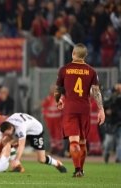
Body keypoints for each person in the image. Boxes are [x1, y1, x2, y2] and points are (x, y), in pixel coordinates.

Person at [54, 43, 105, 177]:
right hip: (85, 108)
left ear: (73, 54)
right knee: (82, 142)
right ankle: (81, 169)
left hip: (70, 108)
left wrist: (58, 100)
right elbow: (96, 92)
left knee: (74, 141)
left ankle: (77, 169)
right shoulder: (92, 71)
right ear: (85, 56)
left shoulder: (64, 70)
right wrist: (101, 110)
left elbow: (57, 90)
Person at [0, 113, 67, 173]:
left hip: (35, 131)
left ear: (11, 128)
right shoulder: (4, 126)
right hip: (25, 129)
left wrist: (17, 159)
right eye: (6, 134)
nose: (7, 135)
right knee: (5, 141)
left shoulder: (20, 127)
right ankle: (17, 166)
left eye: (8, 133)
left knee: (41, 159)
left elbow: (21, 145)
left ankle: (57, 163)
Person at [42, 84, 63, 155]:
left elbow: (63, 108)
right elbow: (44, 107)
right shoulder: (48, 98)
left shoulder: (61, 97)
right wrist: (45, 115)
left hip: (58, 119)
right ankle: (54, 147)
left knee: (58, 133)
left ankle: (59, 148)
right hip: (50, 119)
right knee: (52, 133)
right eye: (52, 89)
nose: (53, 90)